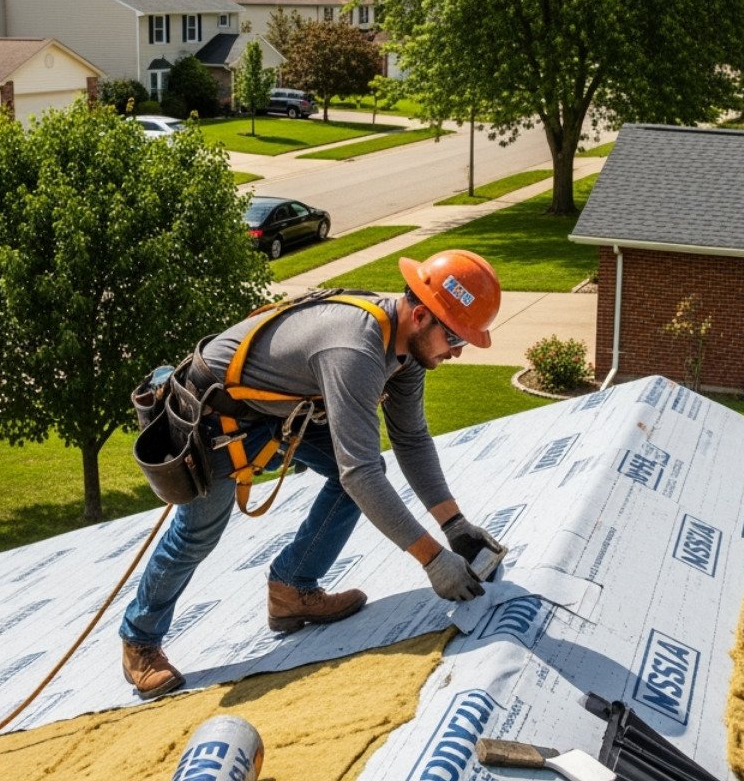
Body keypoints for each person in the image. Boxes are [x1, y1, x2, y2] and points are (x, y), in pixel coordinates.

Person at [119, 249, 506, 699]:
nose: (456, 352)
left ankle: (292, 588)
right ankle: (139, 641)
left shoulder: (406, 351)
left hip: (274, 409)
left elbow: (411, 439)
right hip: (213, 418)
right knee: (197, 534)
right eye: (454, 337)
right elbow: (360, 473)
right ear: (421, 316)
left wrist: (454, 525)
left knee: (354, 477)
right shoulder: (354, 349)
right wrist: (433, 560)